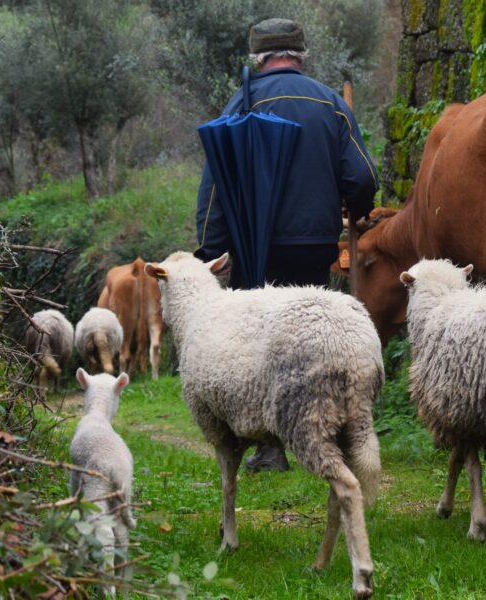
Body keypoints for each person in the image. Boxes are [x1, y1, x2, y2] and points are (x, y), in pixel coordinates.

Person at [194, 18, 378, 472]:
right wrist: (355, 208)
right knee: (310, 340)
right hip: (314, 243)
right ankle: (332, 430)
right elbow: (362, 177)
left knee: (265, 346)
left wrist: (209, 251)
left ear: (257, 58)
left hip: (258, 249)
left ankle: (272, 448)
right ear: (301, 54)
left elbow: (216, 185)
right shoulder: (330, 103)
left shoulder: (242, 102)